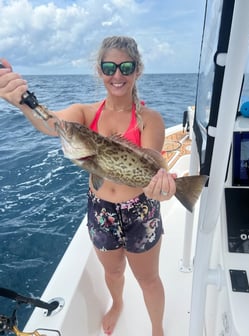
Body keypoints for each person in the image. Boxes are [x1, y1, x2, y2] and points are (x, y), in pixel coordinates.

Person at [0, 36, 176, 336]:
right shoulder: (85, 114)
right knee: (113, 271)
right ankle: (117, 303)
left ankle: (157, 329)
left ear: (137, 70)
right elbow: (52, 123)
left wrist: (163, 186)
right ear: (99, 71)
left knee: (148, 279)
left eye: (125, 67)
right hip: (100, 210)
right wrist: (22, 102)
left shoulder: (150, 119)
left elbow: (154, 162)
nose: (117, 75)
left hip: (141, 209)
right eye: (109, 67)